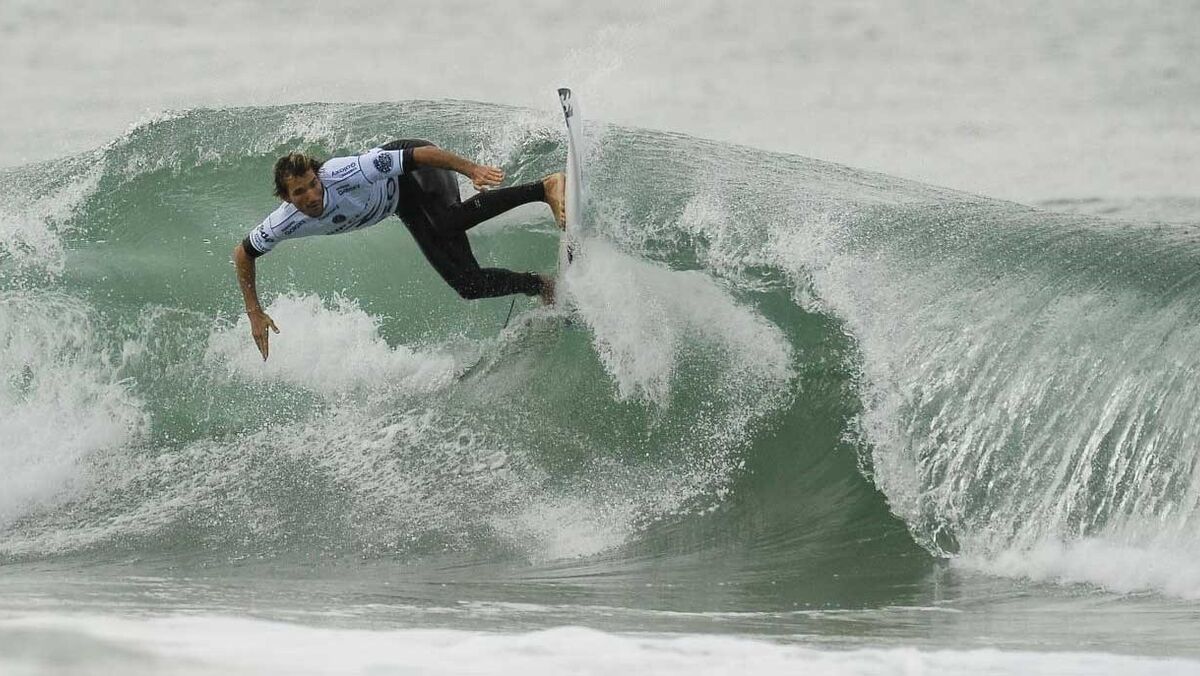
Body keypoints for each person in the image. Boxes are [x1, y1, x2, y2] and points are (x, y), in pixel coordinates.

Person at [232, 139, 566, 360]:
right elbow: (243, 253)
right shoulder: (284, 222)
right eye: (299, 192)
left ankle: (544, 187)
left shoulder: (345, 173)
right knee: (468, 285)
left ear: (319, 177)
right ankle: (541, 285)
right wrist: (254, 312)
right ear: (285, 197)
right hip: (402, 203)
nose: (311, 196)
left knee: (447, 221)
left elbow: (419, 156)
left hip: (416, 168)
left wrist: (471, 169)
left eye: (313, 184)